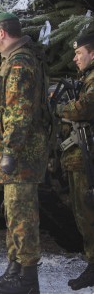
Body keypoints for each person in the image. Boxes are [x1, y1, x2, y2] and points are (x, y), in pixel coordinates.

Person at [0, 12, 49, 294]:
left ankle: (27, 280)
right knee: (13, 216)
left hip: (21, 156)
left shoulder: (21, 63)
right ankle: (14, 270)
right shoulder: (11, 60)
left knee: (22, 218)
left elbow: (18, 112)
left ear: (1, 33)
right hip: (15, 153)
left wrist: (10, 152)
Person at [55, 32, 94, 291]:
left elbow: (83, 109)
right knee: (83, 213)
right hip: (81, 157)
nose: (75, 57)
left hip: (89, 159)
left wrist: (59, 108)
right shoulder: (86, 80)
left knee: (89, 213)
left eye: (79, 53)